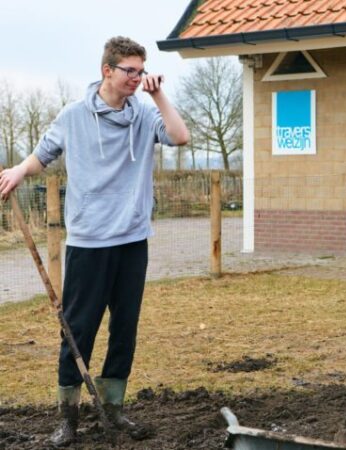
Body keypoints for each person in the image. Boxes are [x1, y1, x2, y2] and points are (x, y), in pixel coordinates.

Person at [0, 36, 189, 446]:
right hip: (88, 242)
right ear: (108, 71)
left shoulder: (144, 115)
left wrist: (160, 97)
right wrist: (18, 170)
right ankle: (68, 416)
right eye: (130, 71)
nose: (138, 78)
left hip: (132, 239)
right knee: (78, 328)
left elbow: (180, 137)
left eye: (142, 71)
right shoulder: (73, 116)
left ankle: (114, 409)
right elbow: (43, 154)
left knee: (125, 327)